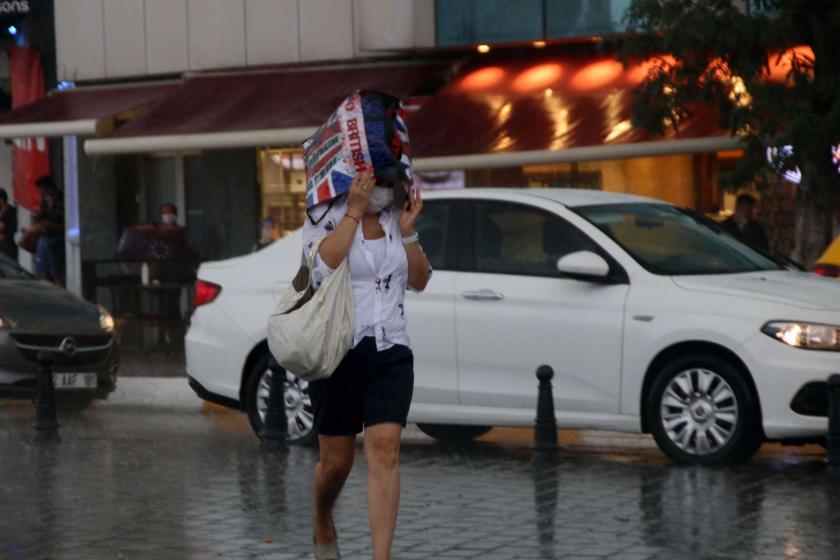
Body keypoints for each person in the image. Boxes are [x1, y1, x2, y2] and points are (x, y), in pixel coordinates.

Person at [304, 169, 431, 560]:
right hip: (339, 351)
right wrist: (354, 211)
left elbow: (421, 280)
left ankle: (381, 556)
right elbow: (319, 267)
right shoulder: (324, 215)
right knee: (335, 464)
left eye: (390, 183)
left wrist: (409, 232)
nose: (384, 191)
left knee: (385, 448)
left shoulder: (397, 219)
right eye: (378, 181)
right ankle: (322, 515)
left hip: (391, 348)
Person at [33, 176, 65, 286]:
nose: (40, 192)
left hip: (56, 237)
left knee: (56, 271)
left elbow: (61, 220)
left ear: (47, 187)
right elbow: (41, 215)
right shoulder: (45, 199)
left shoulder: (59, 198)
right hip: (45, 236)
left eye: (41, 189)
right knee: (42, 269)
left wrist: (49, 224)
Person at [0, 188, 17, 260]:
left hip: (8, 243)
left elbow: (13, 230)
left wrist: (5, 236)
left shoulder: (11, 212)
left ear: (1, 200)